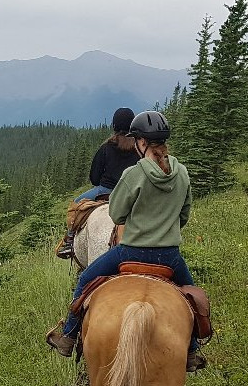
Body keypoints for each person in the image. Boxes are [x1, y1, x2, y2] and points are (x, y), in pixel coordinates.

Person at [45, 110, 207, 371]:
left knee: (86, 280)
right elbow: (183, 215)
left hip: (130, 252)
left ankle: (68, 336)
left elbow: (117, 213)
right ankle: (191, 350)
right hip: (169, 256)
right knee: (192, 296)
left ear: (141, 143)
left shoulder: (135, 174)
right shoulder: (183, 173)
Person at [55, 108, 142, 259]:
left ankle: (69, 241)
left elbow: (94, 178)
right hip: (131, 193)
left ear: (114, 125)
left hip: (105, 190)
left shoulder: (106, 148)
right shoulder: (139, 149)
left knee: (76, 204)